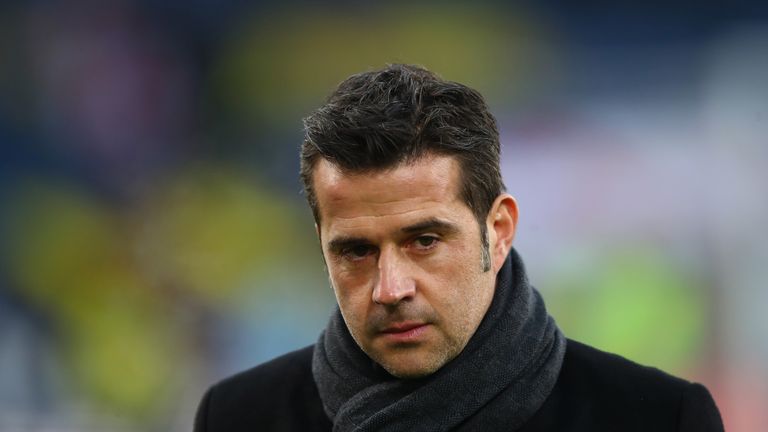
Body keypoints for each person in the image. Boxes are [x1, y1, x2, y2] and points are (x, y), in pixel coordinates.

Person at [194, 64, 724, 431]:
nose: (390, 289)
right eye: (355, 251)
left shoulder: (657, 419)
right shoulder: (240, 416)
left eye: (425, 241)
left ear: (498, 228)